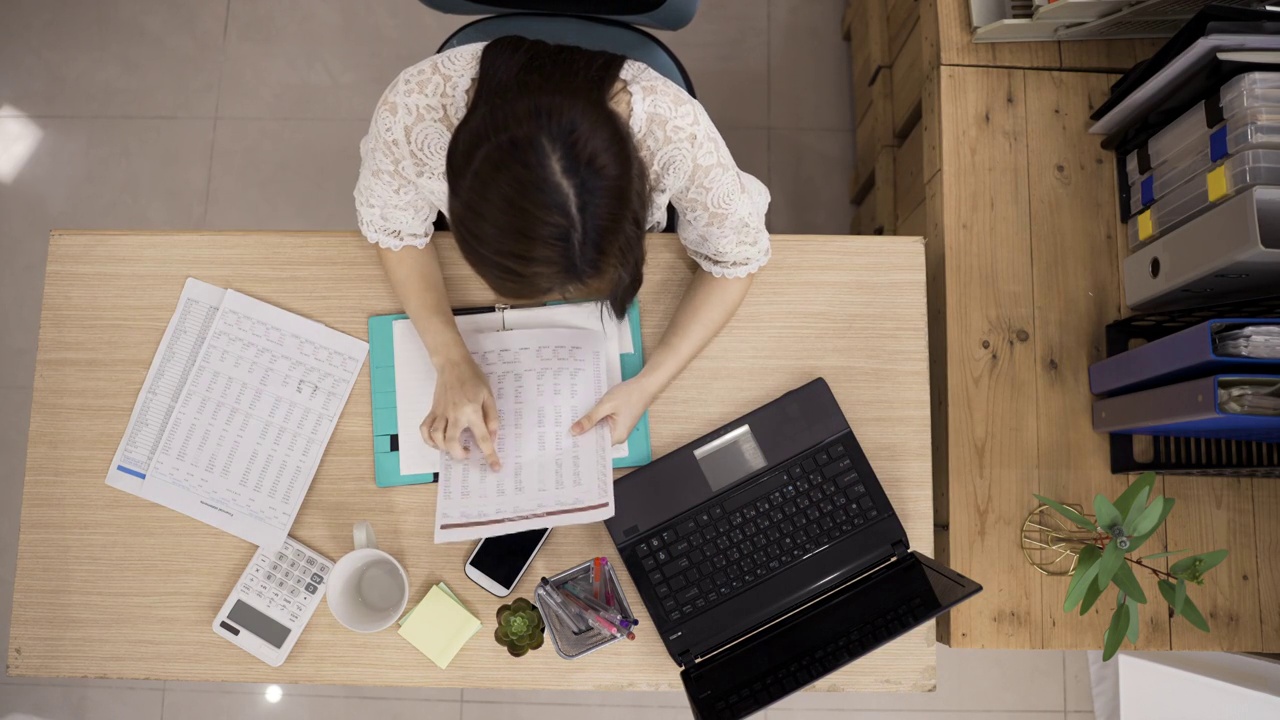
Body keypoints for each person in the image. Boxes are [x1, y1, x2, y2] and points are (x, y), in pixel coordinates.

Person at [354, 36, 770, 471]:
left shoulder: (673, 128)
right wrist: (449, 358)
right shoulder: (414, 111)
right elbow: (397, 230)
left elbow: (735, 260)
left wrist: (648, 384)